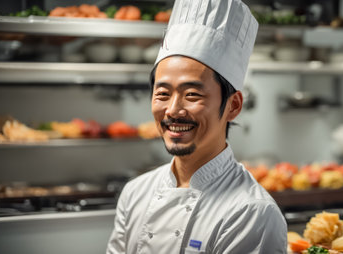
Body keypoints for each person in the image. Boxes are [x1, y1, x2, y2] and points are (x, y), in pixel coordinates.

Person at [106, 0, 288, 253]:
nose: (172, 110)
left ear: (233, 106)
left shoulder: (251, 213)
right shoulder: (136, 192)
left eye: (192, 94)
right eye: (162, 94)